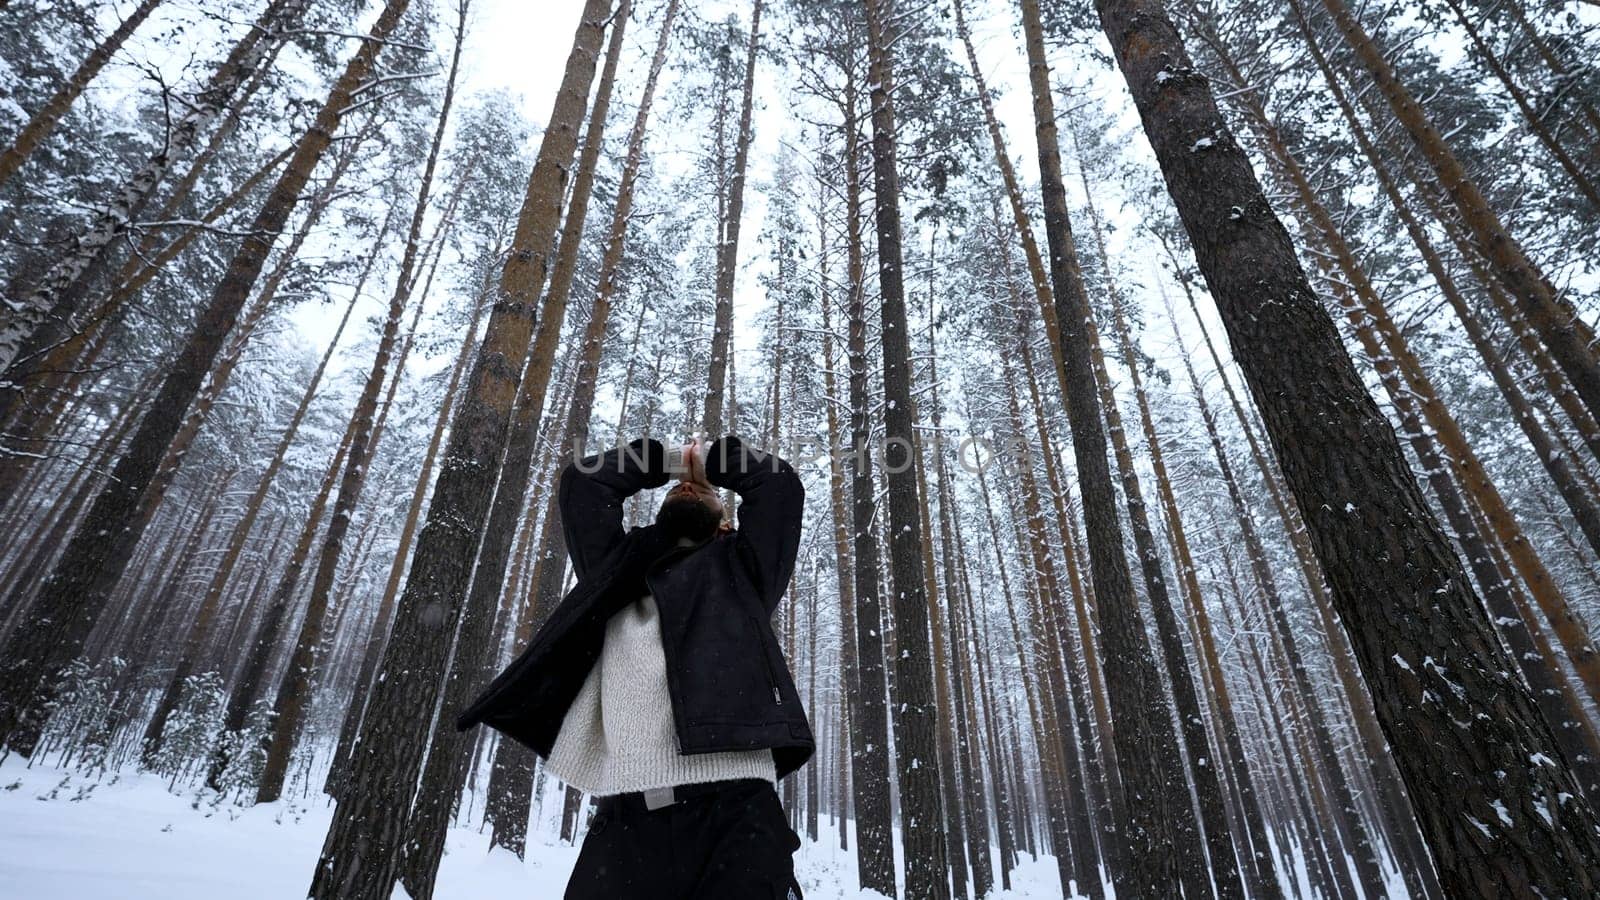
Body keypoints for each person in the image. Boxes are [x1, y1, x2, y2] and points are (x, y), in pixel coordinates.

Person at [457, 433, 812, 900]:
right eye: (679, 488)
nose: (687, 488)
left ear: (726, 524)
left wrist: (703, 462)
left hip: (737, 813)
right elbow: (584, 486)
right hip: (625, 821)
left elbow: (778, 486)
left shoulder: (745, 572)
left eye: (701, 490)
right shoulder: (615, 570)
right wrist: (669, 463)